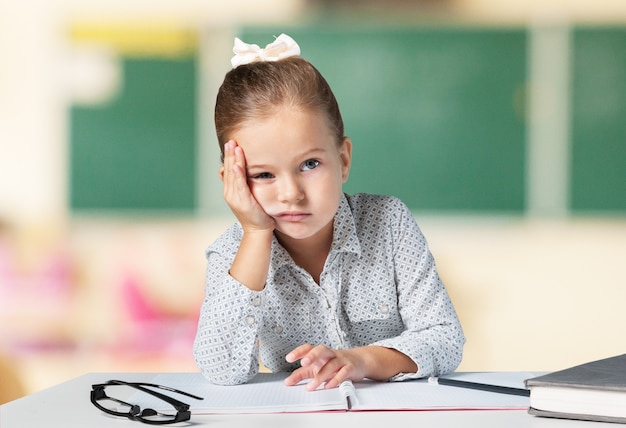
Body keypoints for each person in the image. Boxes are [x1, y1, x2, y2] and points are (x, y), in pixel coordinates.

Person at [193, 34, 465, 391]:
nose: (291, 194)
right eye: (263, 175)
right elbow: (220, 370)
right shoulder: (232, 254)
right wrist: (257, 234)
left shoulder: (389, 223)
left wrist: (359, 361)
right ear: (233, 180)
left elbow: (445, 340)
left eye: (309, 164)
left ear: (344, 159)